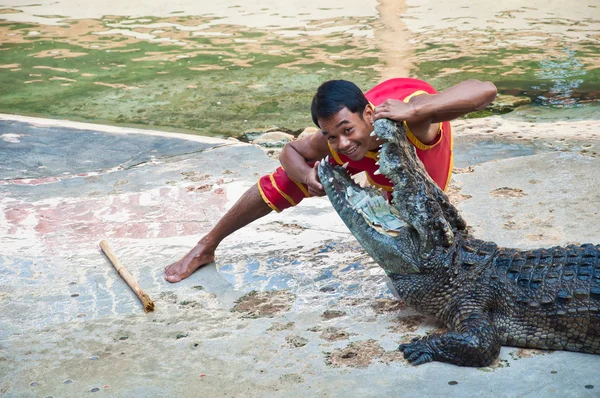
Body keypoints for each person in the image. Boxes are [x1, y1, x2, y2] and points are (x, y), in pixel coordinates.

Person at [164, 77, 497, 282]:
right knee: (286, 181)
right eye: (331, 134)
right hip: (368, 122)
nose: (342, 144)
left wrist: (414, 112)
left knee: (421, 221)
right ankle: (205, 247)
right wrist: (308, 176)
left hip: (411, 120)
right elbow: (289, 151)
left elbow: (485, 90)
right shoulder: (339, 139)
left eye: (346, 130)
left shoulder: (416, 120)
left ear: (368, 114)